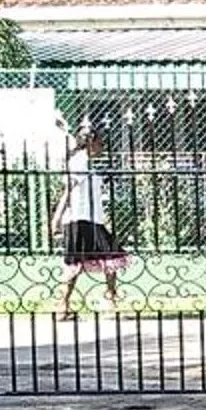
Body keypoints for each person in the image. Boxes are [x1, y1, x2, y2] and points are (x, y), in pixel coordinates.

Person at [50, 123, 128, 310]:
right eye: (99, 143)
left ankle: (110, 297)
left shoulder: (85, 162)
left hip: (92, 218)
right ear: (90, 143)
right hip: (80, 218)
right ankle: (63, 304)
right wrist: (57, 218)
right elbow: (68, 190)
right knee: (75, 263)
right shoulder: (78, 162)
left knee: (111, 255)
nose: (102, 146)